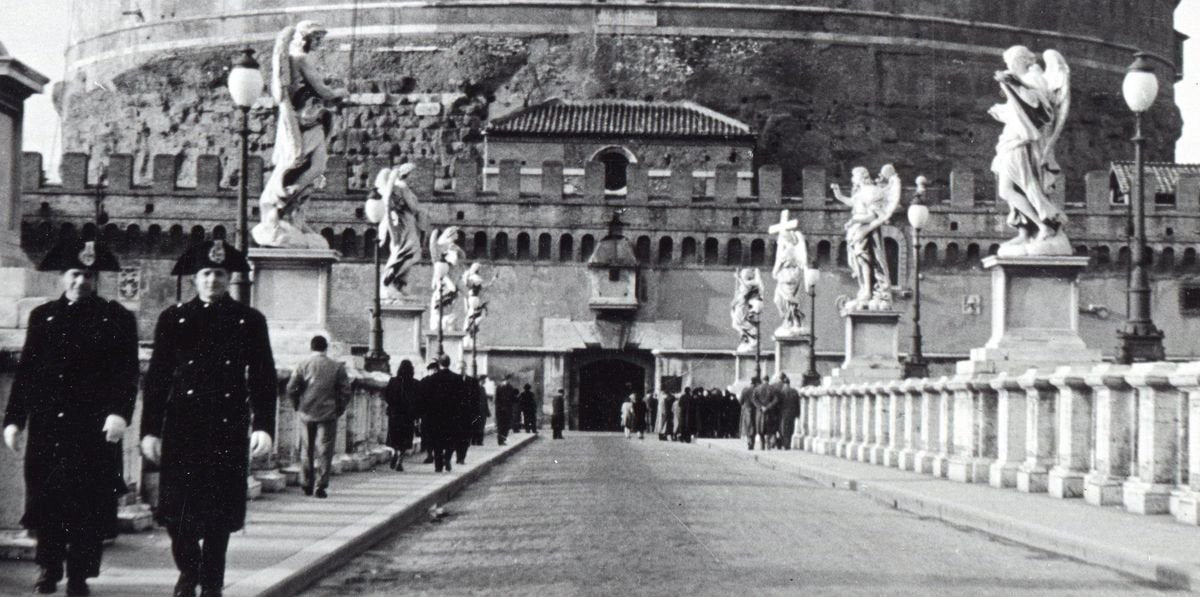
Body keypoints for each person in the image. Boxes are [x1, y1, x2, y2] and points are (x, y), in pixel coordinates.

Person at [141, 239, 277, 597]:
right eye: (205, 274)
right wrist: (150, 430)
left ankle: (212, 584)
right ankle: (190, 569)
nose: (212, 281)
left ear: (228, 277)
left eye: (219, 274)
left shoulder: (249, 320)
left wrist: (264, 425)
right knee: (175, 514)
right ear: (194, 278)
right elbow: (157, 378)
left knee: (219, 517)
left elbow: (264, 377)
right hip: (182, 427)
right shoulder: (174, 319)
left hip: (226, 427)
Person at [3, 240, 137, 596]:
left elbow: (127, 374)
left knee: (87, 507)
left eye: (89, 276)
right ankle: (48, 569)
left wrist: (120, 414)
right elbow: (27, 373)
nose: (81, 282)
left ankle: (79, 575)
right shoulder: (43, 317)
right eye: (75, 274)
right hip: (50, 427)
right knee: (47, 502)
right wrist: (14, 420)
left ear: (96, 279)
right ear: (64, 277)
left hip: (93, 429)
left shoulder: (116, 318)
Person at [255, 21, 349, 248]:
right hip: (305, 121)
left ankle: (293, 214)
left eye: (320, 39)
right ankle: (283, 205)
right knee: (311, 166)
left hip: (311, 118)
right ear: (304, 38)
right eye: (316, 38)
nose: (318, 43)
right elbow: (322, 91)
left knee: (315, 167)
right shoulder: (301, 59)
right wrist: (341, 92)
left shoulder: (297, 59)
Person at [286, 335, 349, 498]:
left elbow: (291, 388)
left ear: (311, 347)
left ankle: (307, 483)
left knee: (306, 450)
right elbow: (345, 392)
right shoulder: (337, 367)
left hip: (306, 413)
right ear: (325, 348)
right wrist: (338, 409)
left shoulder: (302, 365)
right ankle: (321, 485)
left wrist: (297, 405)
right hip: (328, 414)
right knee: (325, 451)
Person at [417, 354, 466, 472]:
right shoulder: (457, 378)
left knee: (437, 441)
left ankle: (438, 465)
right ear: (449, 363)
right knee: (451, 440)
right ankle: (447, 458)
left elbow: (426, 398)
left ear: (439, 364)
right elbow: (462, 399)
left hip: (436, 416)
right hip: (452, 415)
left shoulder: (432, 379)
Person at [382, 360, 418, 471]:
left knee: (394, 438)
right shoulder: (415, 383)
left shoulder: (393, 381)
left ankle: (394, 453)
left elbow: (386, 395)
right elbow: (418, 400)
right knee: (405, 440)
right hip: (408, 416)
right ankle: (400, 462)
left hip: (394, 414)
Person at [753, 375, 782, 450]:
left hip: (760, 412)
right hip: (770, 412)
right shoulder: (772, 388)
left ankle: (762, 444)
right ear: (768, 380)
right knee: (769, 429)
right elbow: (776, 400)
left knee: (760, 429)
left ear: (762, 380)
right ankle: (768, 444)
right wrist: (768, 407)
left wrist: (761, 407)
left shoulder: (757, 389)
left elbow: (754, 400)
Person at [778, 374, 800, 450]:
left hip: (783, 413)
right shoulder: (794, 391)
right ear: (789, 383)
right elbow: (798, 404)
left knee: (783, 429)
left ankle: (785, 444)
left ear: (784, 383)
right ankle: (788, 443)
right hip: (792, 413)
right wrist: (798, 414)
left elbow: (778, 404)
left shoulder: (781, 392)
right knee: (791, 428)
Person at [493, 375, 517, 445]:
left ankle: (503, 439)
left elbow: (513, 399)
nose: (506, 381)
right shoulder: (499, 388)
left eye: (507, 380)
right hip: (500, 410)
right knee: (501, 426)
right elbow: (496, 400)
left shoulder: (510, 388)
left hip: (507, 410)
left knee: (506, 426)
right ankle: (500, 440)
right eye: (505, 380)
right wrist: (498, 409)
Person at [740, 378, 760, 450]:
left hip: (747, 410)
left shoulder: (745, 390)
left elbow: (740, 401)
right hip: (755, 410)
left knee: (747, 426)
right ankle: (752, 442)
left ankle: (749, 440)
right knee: (754, 426)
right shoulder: (756, 390)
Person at [470, 375, 490, 447]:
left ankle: (479, 441)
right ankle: (473, 441)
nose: (484, 381)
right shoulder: (474, 389)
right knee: (475, 426)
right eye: (483, 380)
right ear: (480, 380)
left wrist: (487, 412)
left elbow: (485, 401)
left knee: (481, 426)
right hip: (476, 411)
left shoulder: (483, 389)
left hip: (483, 411)